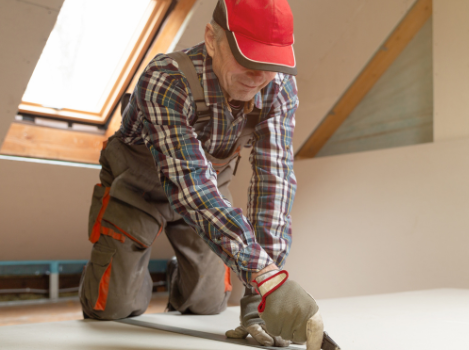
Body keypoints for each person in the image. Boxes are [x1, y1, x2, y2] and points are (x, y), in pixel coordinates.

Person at [79, 0, 319, 346]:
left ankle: (182, 273)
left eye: (268, 64)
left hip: (209, 191)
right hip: (138, 188)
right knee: (113, 309)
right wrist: (266, 277)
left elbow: (274, 182)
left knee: (207, 304)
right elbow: (191, 188)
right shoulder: (165, 78)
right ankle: (125, 271)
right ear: (211, 38)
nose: (258, 77)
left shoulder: (277, 86)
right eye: (247, 59)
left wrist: (261, 294)